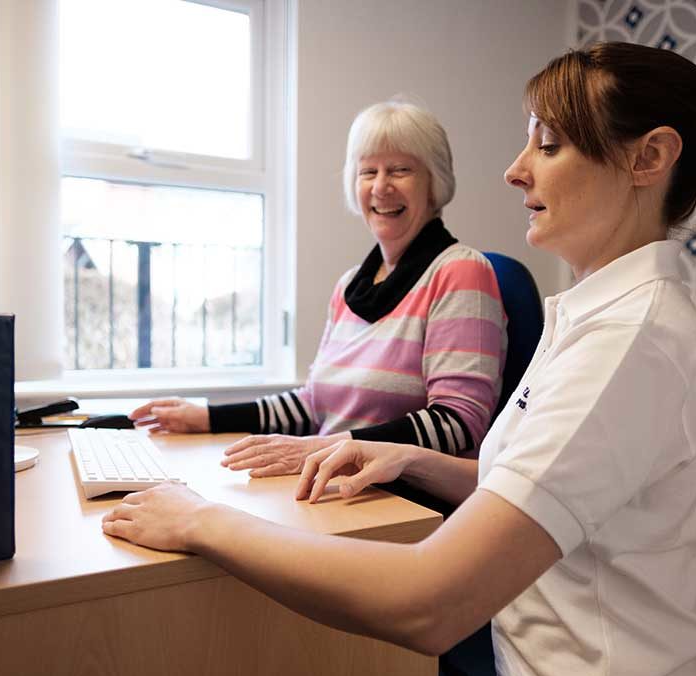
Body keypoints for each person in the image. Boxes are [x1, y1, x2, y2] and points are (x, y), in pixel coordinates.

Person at [103, 42, 696, 676]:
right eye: (367, 170)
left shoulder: (628, 342)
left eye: (548, 144)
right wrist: (410, 459)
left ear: (649, 158)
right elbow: (537, 488)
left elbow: (428, 602)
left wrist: (199, 519)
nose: (517, 169)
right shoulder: (588, 317)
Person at [129, 101, 506, 478]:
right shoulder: (349, 286)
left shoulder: (461, 272)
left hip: (408, 501)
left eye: (401, 170)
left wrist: (321, 448)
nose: (380, 186)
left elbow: (457, 423)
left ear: (434, 182)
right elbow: (312, 406)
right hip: (330, 482)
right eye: (367, 171)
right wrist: (205, 417)